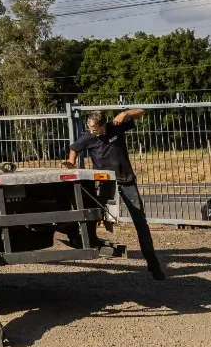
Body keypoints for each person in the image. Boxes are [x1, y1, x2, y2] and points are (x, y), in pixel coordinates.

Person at [67, 108, 165, 280]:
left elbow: (142, 111)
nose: (91, 131)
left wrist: (125, 114)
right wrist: (70, 161)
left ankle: (153, 263)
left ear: (103, 126)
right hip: (105, 184)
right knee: (93, 212)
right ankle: (88, 240)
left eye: (94, 128)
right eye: (89, 128)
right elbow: (74, 148)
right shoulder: (88, 138)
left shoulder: (116, 128)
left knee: (140, 221)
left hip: (126, 181)